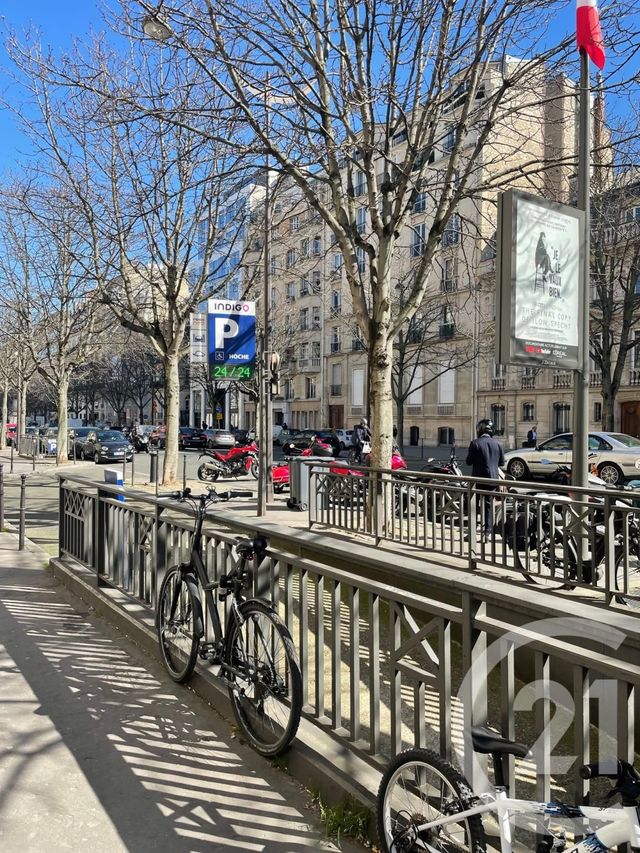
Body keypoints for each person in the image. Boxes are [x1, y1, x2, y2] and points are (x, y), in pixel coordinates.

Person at [466, 418, 505, 541]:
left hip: (477, 480)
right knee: (488, 506)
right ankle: (487, 533)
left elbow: (468, 462)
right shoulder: (498, 444)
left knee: (473, 506)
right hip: (492, 480)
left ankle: (472, 532)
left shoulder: (475, 443)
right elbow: (501, 463)